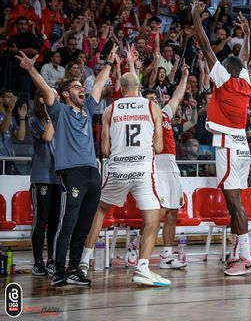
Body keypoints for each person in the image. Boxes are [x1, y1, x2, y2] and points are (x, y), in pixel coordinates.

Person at [16, 46, 118, 287]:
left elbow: (97, 85)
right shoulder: (59, 111)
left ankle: (74, 269)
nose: (81, 89)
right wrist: (32, 69)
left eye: (80, 86)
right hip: (71, 174)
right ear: (63, 94)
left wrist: (110, 63)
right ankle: (58, 270)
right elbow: (44, 89)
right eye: (75, 87)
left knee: (83, 225)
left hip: (92, 173)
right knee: (66, 224)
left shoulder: (88, 109)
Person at [80, 59, 169, 287]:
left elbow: (105, 150)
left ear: (120, 88)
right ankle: (142, 267)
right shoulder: (152, 107)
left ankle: (83, 261)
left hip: (118, 168)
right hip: (142, 171)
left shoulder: (110, 109)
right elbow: (159, 147)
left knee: (100, 210)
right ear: (139, 86)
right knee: (152, 219)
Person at [192, 0, 251, 276]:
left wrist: (196, 18)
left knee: (234, 202)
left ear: (225, 71)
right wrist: (248, 32)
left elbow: (206, 48)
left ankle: (246, 256)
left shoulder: (226, 80)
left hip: (229, 145)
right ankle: (239, 252)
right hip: (242, 146)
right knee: (235, 201)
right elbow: (245, 57)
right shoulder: (245, 82)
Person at [144, 59, 189, 270]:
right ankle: (137, 248)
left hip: (172, 167)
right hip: (154, 168)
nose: (153, 101)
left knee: (173, 212)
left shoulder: (164, 114)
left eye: (155, 98)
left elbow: (178, 96)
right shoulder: (142, 119)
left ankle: (167, 255)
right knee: (159, 212)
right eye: (149, 98)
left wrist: (185, 77)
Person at [28, 88, 61, 277]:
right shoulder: (34, 120)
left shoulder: (59, 121)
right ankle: (38, 261)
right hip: (42, 177)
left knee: (55, 222)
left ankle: (51, 260)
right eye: (51, 97)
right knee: (41, 220)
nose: (55, 99)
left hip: (58, 177)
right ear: (42, 99)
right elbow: (47, 137)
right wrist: (52, 115)